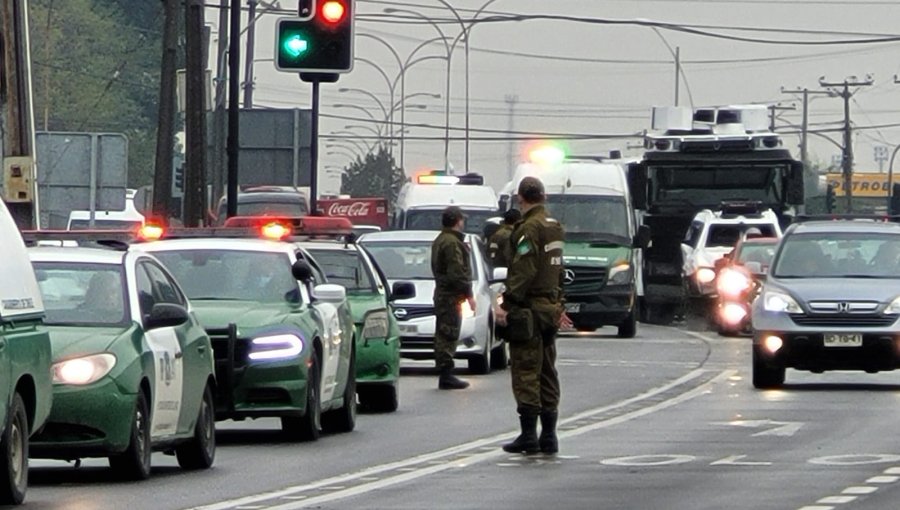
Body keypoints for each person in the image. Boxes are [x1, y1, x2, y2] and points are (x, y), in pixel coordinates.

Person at [495, 177, 572, 455]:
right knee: (547, 370)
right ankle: (549, 435)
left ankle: (529, 434)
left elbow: (524, 270)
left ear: (520, 198)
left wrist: (508, 301)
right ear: (544, 196)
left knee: (527, 369)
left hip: (529, 308)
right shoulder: (555, 227)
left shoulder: (530, 229)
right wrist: (558, 302)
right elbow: (559, 270)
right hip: (550, 307)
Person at [430, 206, 476, 390]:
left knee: (444, 331)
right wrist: (469, 295)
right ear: (458, 221)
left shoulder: (441, 240)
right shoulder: (451, 243)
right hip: (449, 295)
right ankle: (446, 373)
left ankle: (445, 372)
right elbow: (457, 271)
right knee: (448, 333)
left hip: (444, 293)